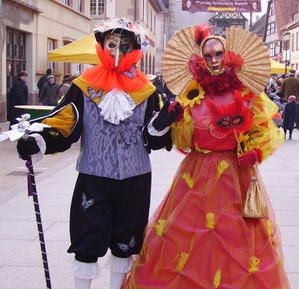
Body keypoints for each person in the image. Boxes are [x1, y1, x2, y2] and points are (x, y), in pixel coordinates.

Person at [15, 18, 179, 289]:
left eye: (124, 45)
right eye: (112, 44)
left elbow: (150, 137)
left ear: (135, 49)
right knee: (87, 239)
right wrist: (39, 140)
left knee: (126, 241)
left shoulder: (148, 91)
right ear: (102, 45)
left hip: (136, 178)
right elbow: (66, 123)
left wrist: (163, 122)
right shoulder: (83, 86)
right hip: (94, 176)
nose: (117, 51)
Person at [123, 25, 290, 289]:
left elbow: (263, 129)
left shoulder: (246, 92)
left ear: (228, 55)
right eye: (208, 56)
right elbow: (182, 139)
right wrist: (175, 118)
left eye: (219, 54)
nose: (214, 60)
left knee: (238, 238)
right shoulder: (191, 95)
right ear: (199, 60)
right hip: (197, 175)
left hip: (238, 176)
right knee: (189, 236)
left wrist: (255, 151)